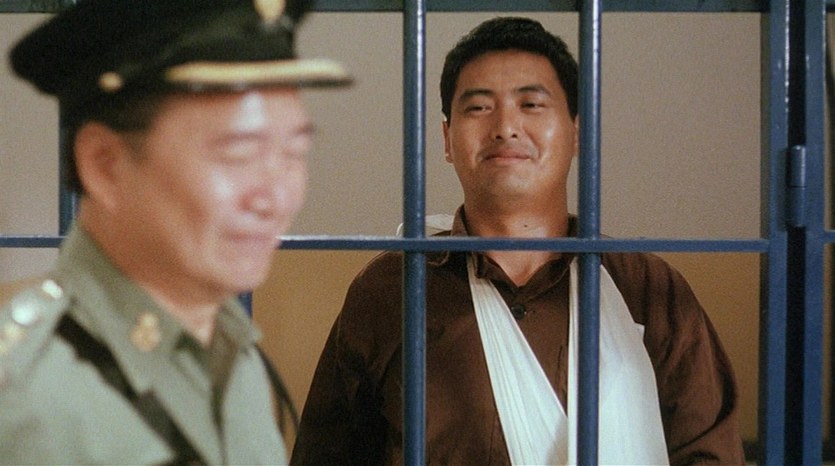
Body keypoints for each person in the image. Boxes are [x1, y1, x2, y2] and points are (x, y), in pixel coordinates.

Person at [292, 16, 744, 465]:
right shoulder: (391, 291)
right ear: (447, 140)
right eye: (478, 107)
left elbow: (710, 456)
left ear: (576, 133)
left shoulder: (648, 290)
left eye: (531, 104)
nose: (505, 127)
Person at [0, 0, 350, 464]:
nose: (276, 198)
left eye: (294, 153)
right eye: (238, 154)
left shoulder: (231, 353)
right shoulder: (25, 396)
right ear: (105, 166)